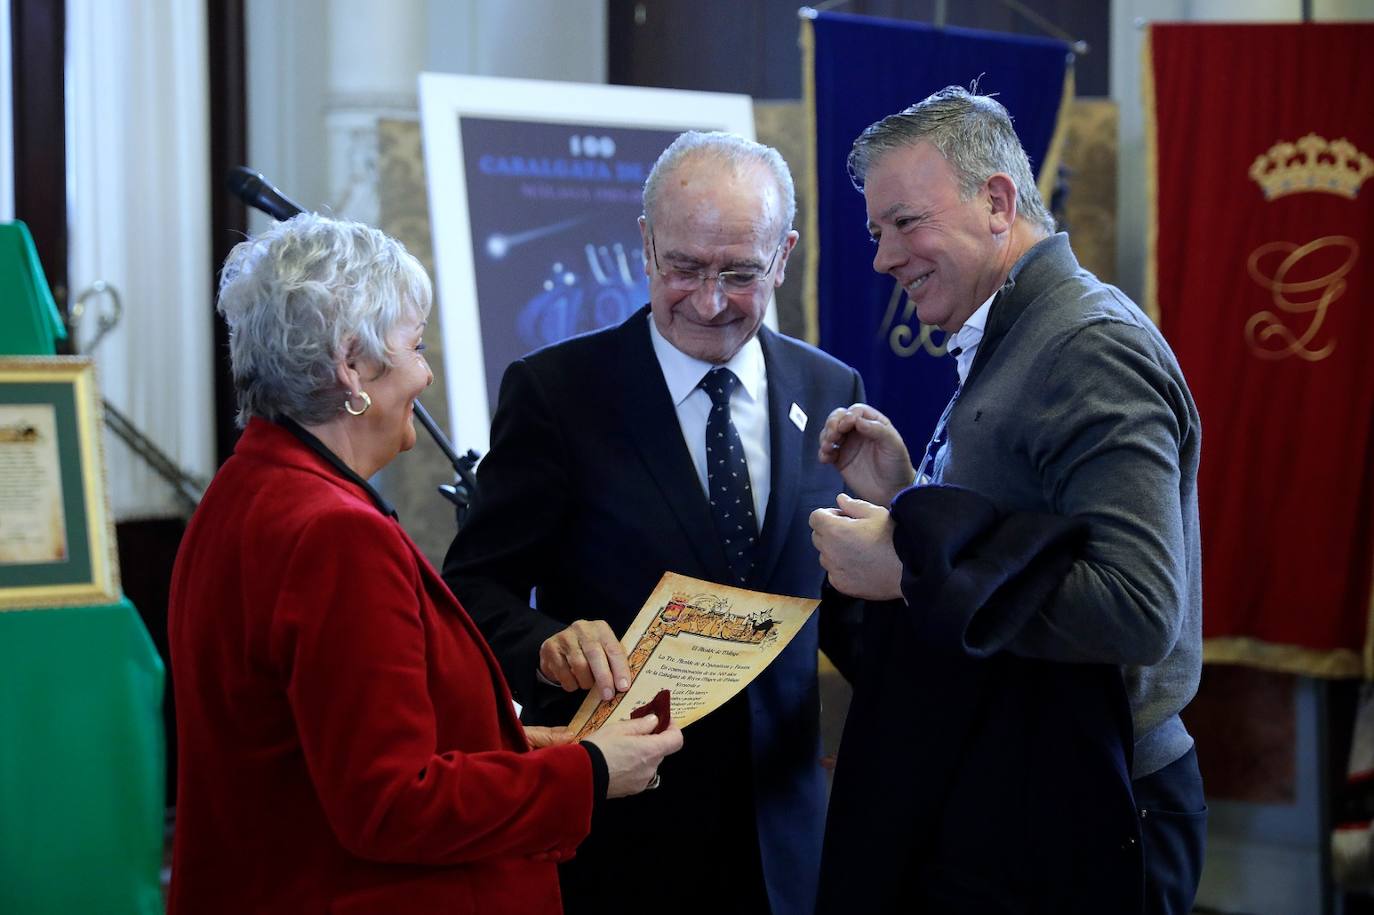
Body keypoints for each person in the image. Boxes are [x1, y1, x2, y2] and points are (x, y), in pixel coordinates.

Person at [167, 214, 682, 915]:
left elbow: (314, 745)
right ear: (352, 364)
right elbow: (388, 802)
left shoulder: (246, 487)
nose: (426, 371)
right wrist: (588, 771)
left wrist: (526, 744)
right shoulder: (335, 536)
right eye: (414, 344)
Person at [442, 131, 865, 915]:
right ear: (644, 244)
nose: (709, 301)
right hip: (621, 840)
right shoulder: (557, 393)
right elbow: (472, 589)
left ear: (784, 255)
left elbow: (841, 605)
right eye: (685, 267)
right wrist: (548, 643)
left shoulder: (829, 386)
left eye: (740, 272)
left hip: (787, 846)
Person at [809, 87, 1205, 914]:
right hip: (1028, 791)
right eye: (877, 230)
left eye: (905, 223)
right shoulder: (1020, 326)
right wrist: (909, 496)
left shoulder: (1087, 345)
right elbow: (1026, 539)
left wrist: (909, 566)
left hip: (1097, 805)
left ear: (996, 201)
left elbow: (1137, 608)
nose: (883, 257)